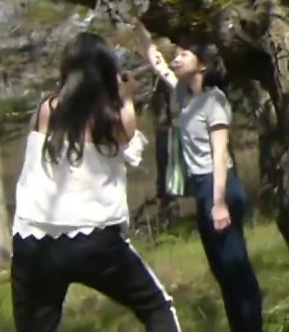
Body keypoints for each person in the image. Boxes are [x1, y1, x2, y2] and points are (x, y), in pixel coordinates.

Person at [11, 32, 179, 332]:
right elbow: (130, 144)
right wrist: (126, 98)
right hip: (93, 237)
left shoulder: (45, 110)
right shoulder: (110, 118)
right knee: (157, 308)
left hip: (34, 238)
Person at [137, 24, 263, 332]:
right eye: (176, 54)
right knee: (222, 272)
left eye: (183, 55)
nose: (176, 59)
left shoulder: (214, 101)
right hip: (203, 188)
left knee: (236, 271)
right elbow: (157, 62)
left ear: (203, 64)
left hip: (220, 187)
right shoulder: (186, 96)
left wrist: (219, 203)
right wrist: (138, 27)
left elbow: (220, 154)